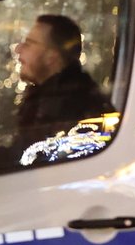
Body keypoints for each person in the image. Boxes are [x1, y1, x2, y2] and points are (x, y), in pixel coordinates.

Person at [10, 13, 114, 150]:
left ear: (52, 57)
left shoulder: (69, 106)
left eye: (29, 44)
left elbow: (29, 159)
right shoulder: (48, 97)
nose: (18, 49)